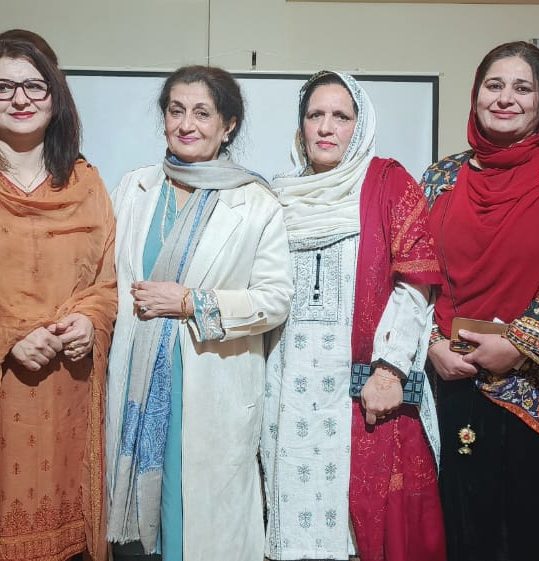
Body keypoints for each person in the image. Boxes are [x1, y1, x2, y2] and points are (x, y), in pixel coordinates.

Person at [106, 65, 293, 561]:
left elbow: (275, 299)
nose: (186, 124)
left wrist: (192, 302)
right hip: (137, 383)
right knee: (135, 541)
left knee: (199, 528)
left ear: (228, 126)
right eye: (176, 110)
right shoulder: (134, 189)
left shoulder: (255, 202)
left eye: (202, 113)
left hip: (211, 386)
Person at [260, 70, 445, 561]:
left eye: (340, 116)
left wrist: (389, 371)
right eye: (315, 115)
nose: (326, 127)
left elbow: (415, 285)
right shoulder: (277, 196)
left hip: (365, 387)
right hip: (286, 388)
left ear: (359, 126)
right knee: (291, 517)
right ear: (301, 124)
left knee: (362, 528)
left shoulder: (388, 183)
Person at [422, 41, 539, 561]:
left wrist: (519, 345)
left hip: (535, 390)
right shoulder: (438, 178)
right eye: (493, 85)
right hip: (446, 380)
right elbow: (410, 277)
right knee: (453, 532)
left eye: (522, 88)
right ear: (476, 95)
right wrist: (430, 344)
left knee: (522, 533)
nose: (505, 98)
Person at [0, 38, 117, 561]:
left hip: (67, 393)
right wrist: (9, 337)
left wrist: (91, 321)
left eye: (34, 85)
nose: (19, 98)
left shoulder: (86, 183)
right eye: (4, 86)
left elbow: (106, 282)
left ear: (56, 96)